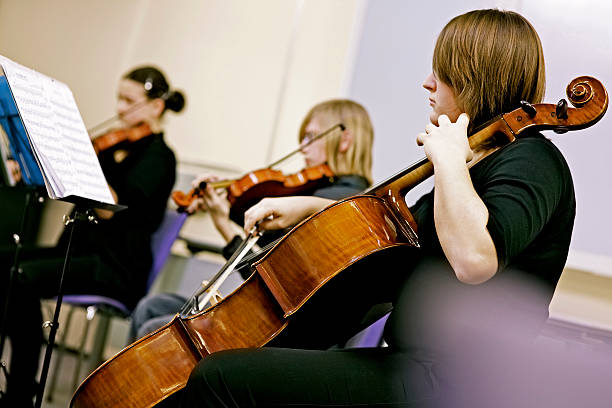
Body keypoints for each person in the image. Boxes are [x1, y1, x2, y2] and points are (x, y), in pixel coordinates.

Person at [173, 9, 578, 407]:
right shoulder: (475, 162)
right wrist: (309, 207)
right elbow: (393, 230)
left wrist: (450, 163)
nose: (427, 83)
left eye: (443, 73)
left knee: (220, 378)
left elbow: (475, 260)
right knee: (240, 369)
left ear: (477, 80)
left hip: (458, 382)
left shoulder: (534, 160)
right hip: (412, 367)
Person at [0, 66, 184, 406]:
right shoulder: (111, 146)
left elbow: (108, 207)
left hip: (116, 267)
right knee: (3, 256)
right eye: (119, 97)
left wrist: (81, 160)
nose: (120, 108)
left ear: (156, 106)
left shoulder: (160, 158)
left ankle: (21, 391)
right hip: (78, 251)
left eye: (130, 101)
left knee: (21, 278)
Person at [129, 98, 374, 341]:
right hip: (263, 319)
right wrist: (223, 204)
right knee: (152, 307)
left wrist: (223, 221)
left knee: (155, 329)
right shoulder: (317, 192)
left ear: (344, 141)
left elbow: (270, 284)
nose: (302, 148)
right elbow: (262, 239)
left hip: (279, 333)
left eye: (311, 137)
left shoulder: (338, 204)